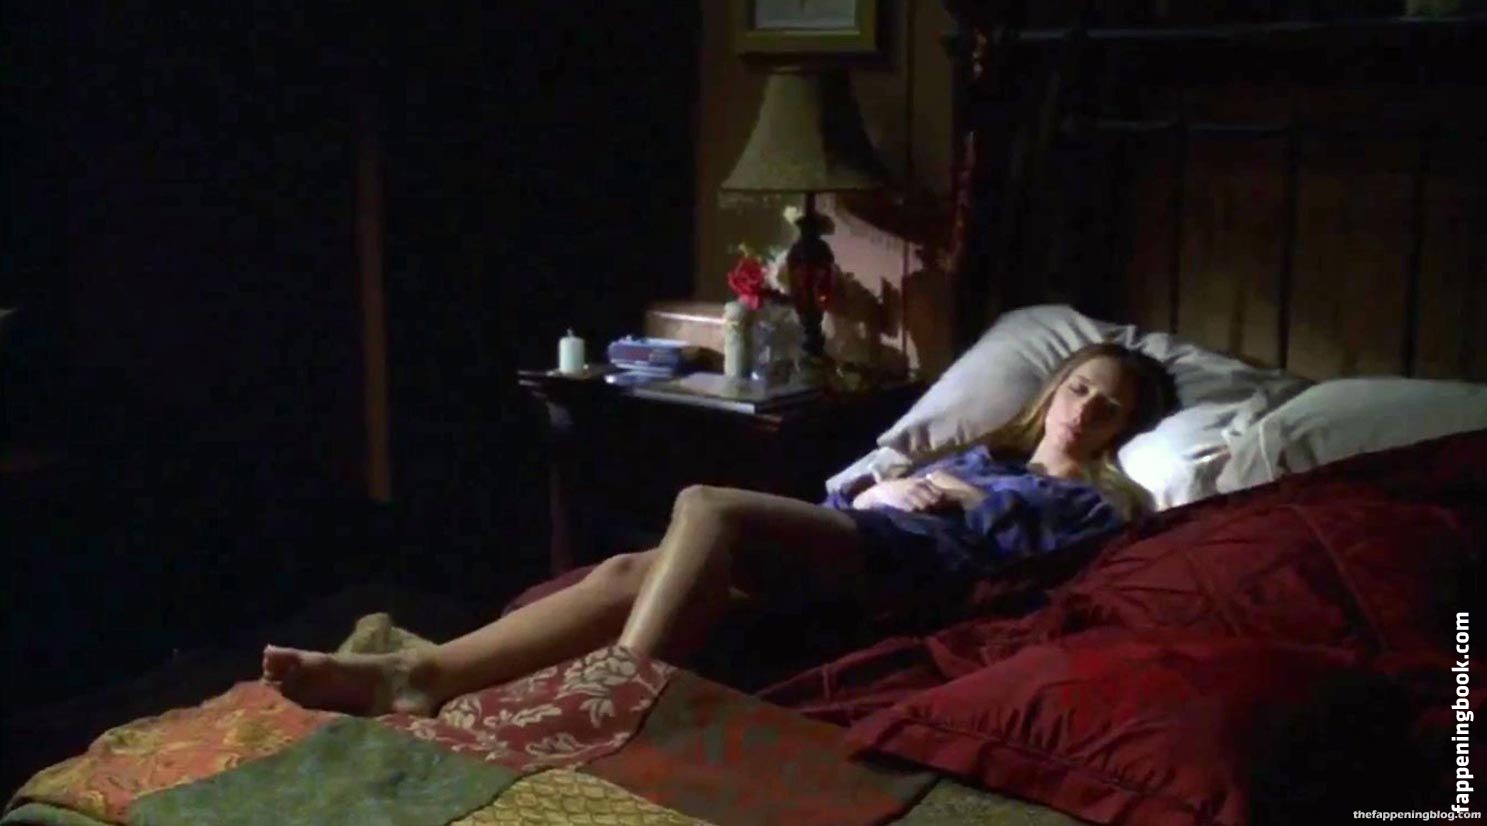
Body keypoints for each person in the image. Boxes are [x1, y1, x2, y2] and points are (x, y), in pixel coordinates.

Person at [262, 343, 1172, 716]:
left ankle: (620, 695)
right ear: (1053, 389)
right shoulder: (980, 451)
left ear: (1122, 428)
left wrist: (950, 499)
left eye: (1108, 406)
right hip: (861, 534)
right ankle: (417, 677)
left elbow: (1028, 562)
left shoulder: (1098, 501)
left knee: (707, 504)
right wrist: (896, 484)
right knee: (627, 569)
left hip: (909, 571)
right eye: (1079, 387)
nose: (1084, 409)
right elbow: (863, 492)